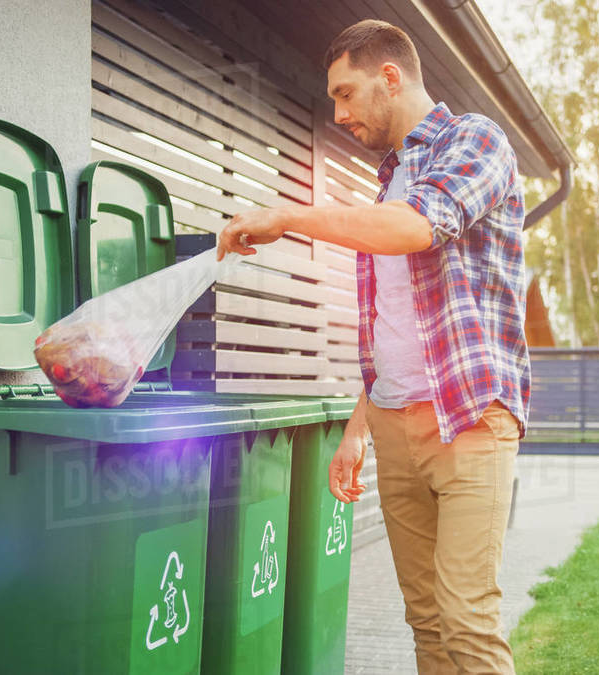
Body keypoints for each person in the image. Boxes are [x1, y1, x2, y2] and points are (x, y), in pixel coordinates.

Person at [216, 18, 528, 674]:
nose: (338, 112)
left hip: (467, 420)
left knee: (468, 620)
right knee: (426, 621)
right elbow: (396, 324)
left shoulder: (475, 140)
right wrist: (359, 429)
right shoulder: (387, 179)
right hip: (392, 423)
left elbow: (420, 226)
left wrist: (290, 216)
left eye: (346, 92)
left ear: (390, 77)